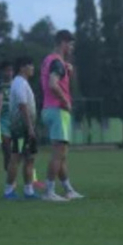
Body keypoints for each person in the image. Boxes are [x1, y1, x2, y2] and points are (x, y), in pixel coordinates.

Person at [40, 30, 84, 202]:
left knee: (62, 153)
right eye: (70, 44)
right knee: (59, 153)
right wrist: (65, 100)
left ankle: (68, 189)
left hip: (48, 109)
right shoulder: (57, 62)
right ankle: (49, 191)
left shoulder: (49, 60)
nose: (71, 48)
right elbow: (53, 84)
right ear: (63, 43)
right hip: (58, 110)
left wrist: (67, 69)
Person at [4, 57, 40, 200]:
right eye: (30, 65)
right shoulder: (19, 83)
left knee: (29, 158)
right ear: (22, 68)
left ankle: (28, 190)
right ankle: (8, 190)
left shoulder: (23, 83)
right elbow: (22, 106)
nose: (32, 68)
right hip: (21, 129)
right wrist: (30, 127)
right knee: (16, 158)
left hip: (26, 128)